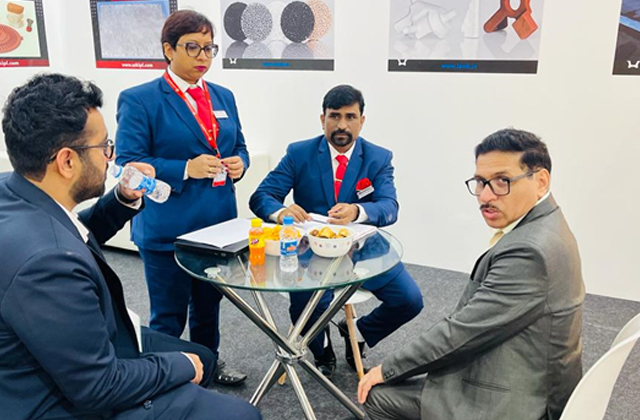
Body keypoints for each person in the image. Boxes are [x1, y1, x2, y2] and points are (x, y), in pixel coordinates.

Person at [0, 74, 261, 420]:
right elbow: (98, 385)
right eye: (105, 147)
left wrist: (122, 198)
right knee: (241, 414)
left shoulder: (14, 189)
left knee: (205, 357)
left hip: (71, 342)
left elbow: (75, 232)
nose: (111, 157)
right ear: (67, 161)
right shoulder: (47, 264)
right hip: (59, 396)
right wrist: (180, 366)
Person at [358, 128, 585, 420]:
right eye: (481, 182)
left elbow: (463, 331)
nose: (485, 196)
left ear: (541, 181)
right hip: (532, 367)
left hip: (522, 399)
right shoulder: (548, 224)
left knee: (376, 396)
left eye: (502, 181)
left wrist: (387, 369)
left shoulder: (530, 251)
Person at [250, 85, 424, 378]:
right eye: (335, 116)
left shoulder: (378, 158)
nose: (342, 125)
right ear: (323, 119)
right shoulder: (299, 153)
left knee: (409, 300)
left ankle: (358, 332)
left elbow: (389, 207)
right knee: (305, 307)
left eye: (350, 117)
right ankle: (322, 348)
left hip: (364, 250)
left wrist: (358, 211)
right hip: (310, 252)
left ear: (361, 121)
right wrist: (281, 212)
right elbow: (261, 196)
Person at [115, 10, 249, 386]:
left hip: (217, 226)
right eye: (193, 47)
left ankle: (209, 363)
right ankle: (167, 379)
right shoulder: (140, 99)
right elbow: (127, 162)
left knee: (208, 307)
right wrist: (185, 169)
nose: (203, 56)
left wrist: (241, 163)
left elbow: (239, 145)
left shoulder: (223, 96)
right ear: (168, 49)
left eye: (209, 48)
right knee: (169, 314)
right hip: (167, 227)